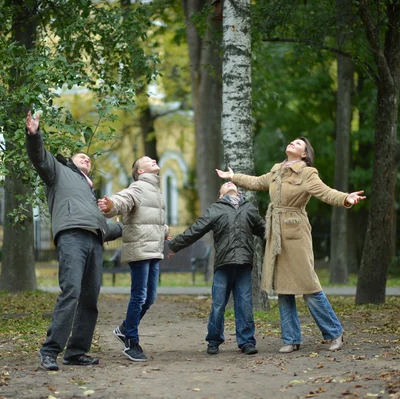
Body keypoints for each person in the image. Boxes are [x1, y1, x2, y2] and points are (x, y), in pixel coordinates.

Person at [216, 137, 366, 353]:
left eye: (298, 144)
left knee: (308, 285)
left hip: (296, 233)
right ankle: (291, 339)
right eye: (292, 142)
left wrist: (345, 198)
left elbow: (325, 192)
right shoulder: (277, 170)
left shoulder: (307, 173)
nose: (292, 144)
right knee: (283, 286)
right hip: (276, 233)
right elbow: (257, 182)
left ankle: (334, 332)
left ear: (304, 154)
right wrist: (233, 177)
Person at [25, 111, 123, 371]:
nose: (86, 158)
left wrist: (128, 227)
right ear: (70, 161)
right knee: (71, 293)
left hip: (94, 242)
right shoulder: (58, 172)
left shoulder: (91, 194)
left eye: (89, 158)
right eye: (81, 155)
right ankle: (50, 350)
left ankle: (76, 352)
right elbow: (39, 157)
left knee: (90, 299)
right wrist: (34, 135)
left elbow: (106, 228)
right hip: (71, 237)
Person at [168, 182, 265, 356]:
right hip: (223, 265)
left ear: (239, 191)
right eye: (224, 184)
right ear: (220, 196)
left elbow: (265, 231)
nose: (229, 183)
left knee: (245, 304)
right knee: (218, 305)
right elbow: (195, 230)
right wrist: (174, 246)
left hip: (244, 264)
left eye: (232, 182)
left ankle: (247, 342)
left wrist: (284, 240)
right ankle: (213, 340)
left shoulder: (249, 208)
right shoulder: (215, 209)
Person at [98, 156, 169, 362]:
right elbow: (122, 200)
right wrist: (111, 205)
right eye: (148, 160)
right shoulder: (138, 187)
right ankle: (131, 341)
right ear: (140, 171)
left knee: (150, 298)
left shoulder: (156, 191)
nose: (154, 159)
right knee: (139, 296)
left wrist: (164, 230)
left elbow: (148, 219)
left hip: (153, 250)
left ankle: (124, 328)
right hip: (139, 250)